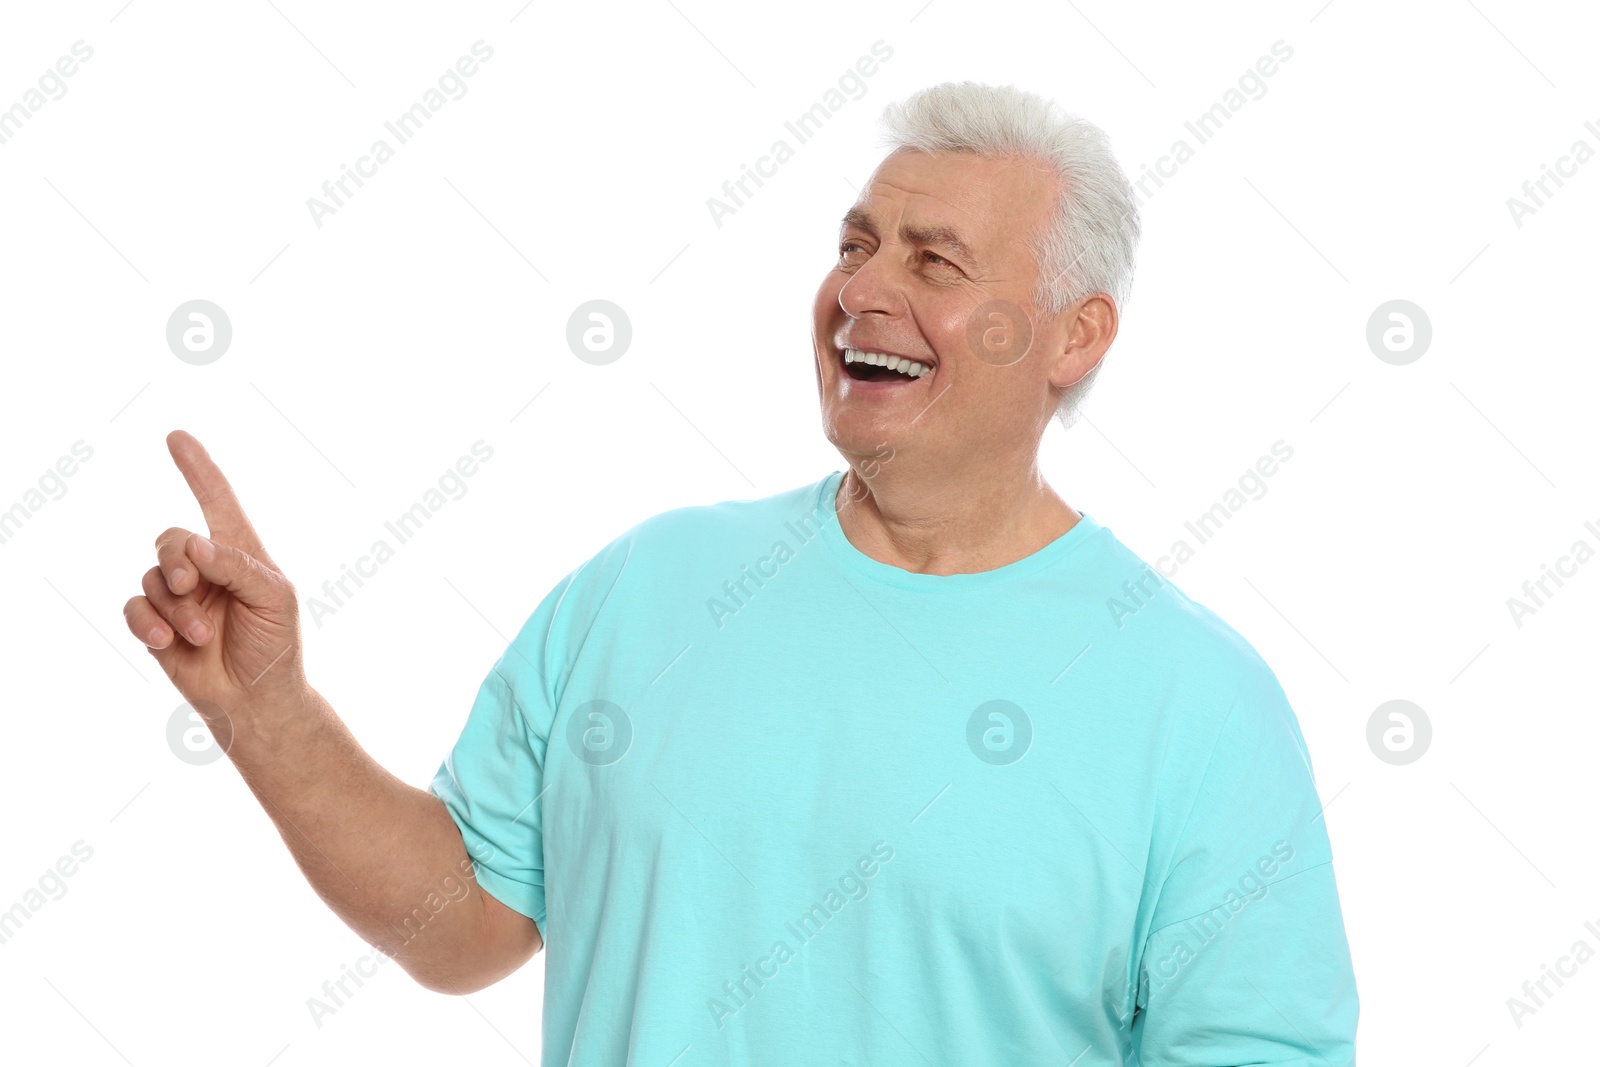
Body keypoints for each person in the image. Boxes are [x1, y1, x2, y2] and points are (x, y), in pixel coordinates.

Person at [124, 81, 1357, 1065]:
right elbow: (461, 928)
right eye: (855, 245)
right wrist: (264, 709)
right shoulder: (647, 587)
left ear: (1072, 334)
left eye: (934, 262)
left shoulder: (1193, 700)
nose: (859, 292)